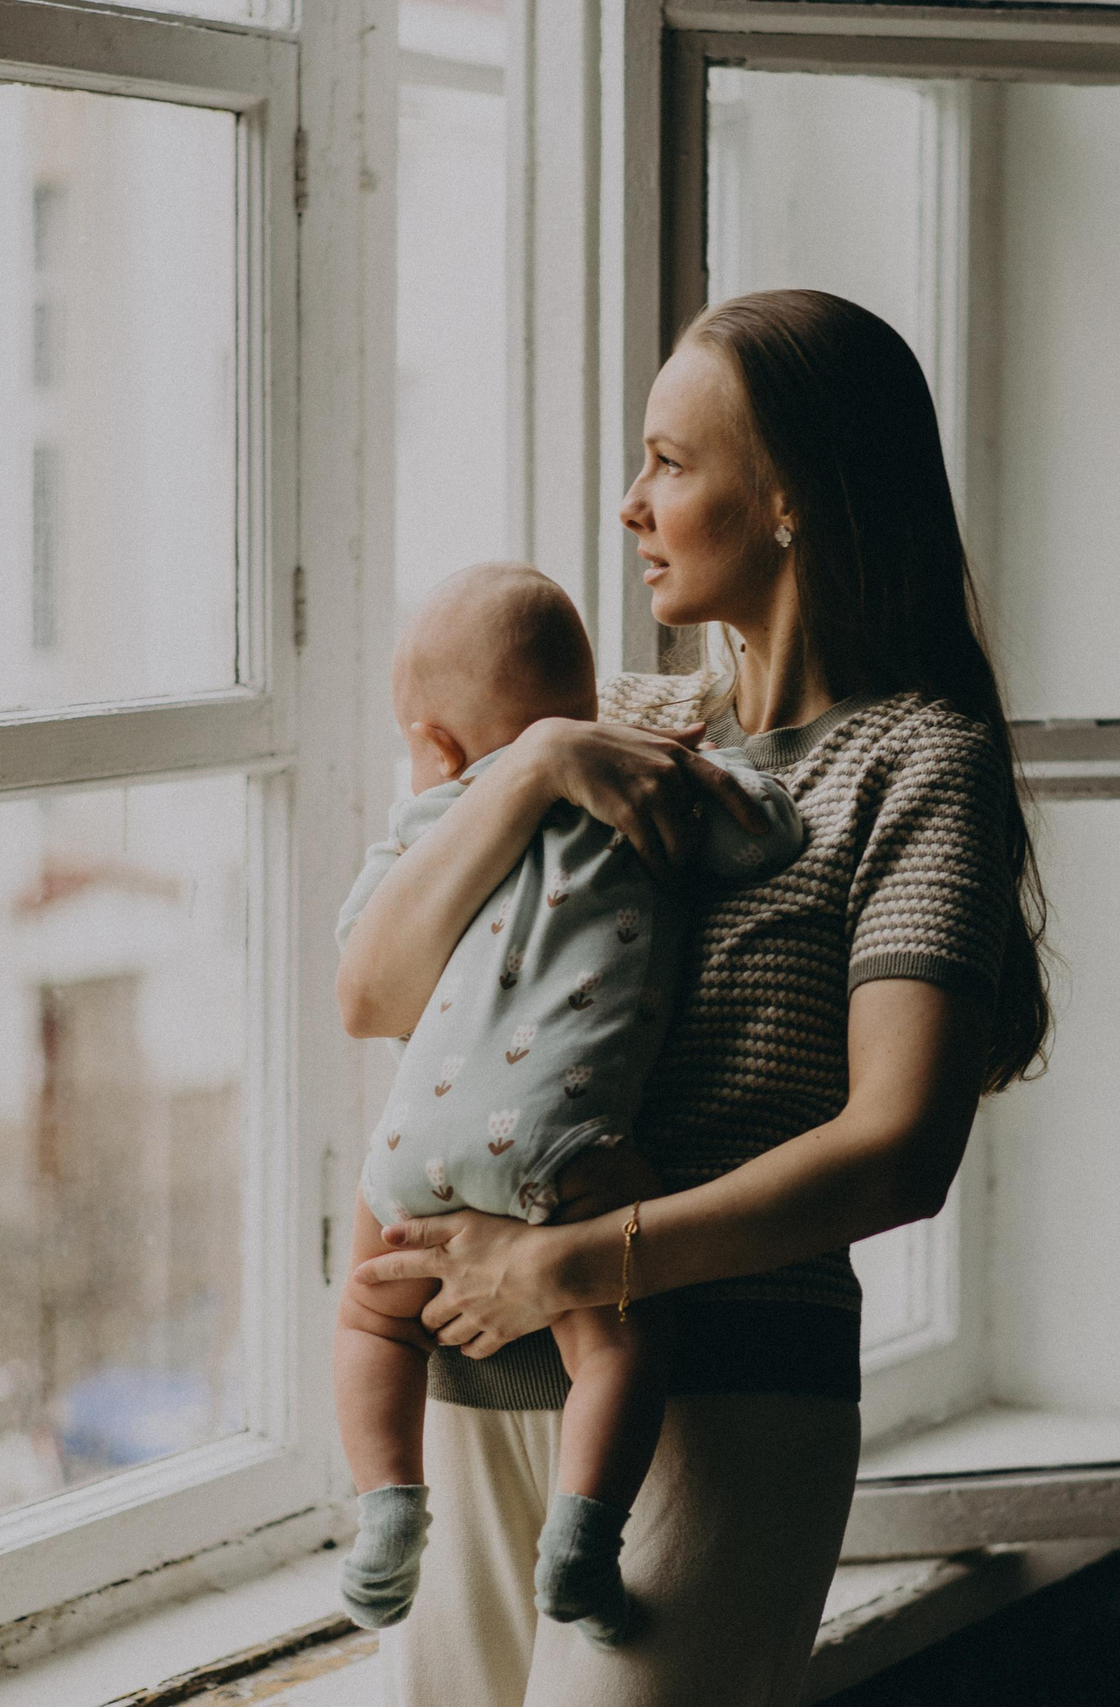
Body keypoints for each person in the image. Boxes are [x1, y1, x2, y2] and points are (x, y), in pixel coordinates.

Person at [334, 288, 1051, 1707]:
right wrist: (537, 762)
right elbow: (377, 990)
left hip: (728, 1398)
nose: (628, 504)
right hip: (473, 1369)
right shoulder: (623, 725)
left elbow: (900, 1147)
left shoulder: (922, 764)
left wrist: (571, 1265)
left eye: (671, 462)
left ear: (787, 498)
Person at [330, 563, 804, 1647]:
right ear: (588, 705)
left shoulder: (432, 822)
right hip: (568, 1139)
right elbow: (765, 837)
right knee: (619, 1348)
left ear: (438, 747)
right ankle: (585, 1538)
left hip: (414, 1141)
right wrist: (722, 775)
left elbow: (362, 965)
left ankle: (386, 1509)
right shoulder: (647, 789)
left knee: (367, 1311)